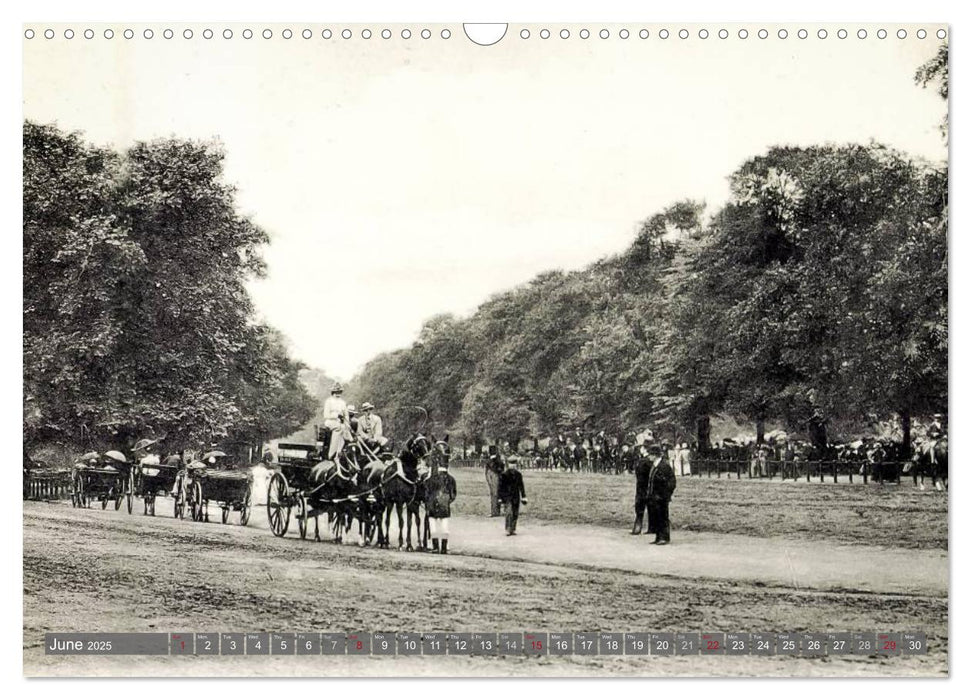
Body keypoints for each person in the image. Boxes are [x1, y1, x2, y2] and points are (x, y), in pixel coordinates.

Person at [646, 444, 677, 544]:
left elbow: (672, 482)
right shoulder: (655, 465)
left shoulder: (664, 466)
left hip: (661, 497)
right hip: (654, 496)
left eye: (650, 454)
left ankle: (664, 537)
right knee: (656, 516)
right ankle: (658, 537)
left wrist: (666, 494)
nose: (649, 456)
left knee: (663, 516)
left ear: (655, 455)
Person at [425, 463, 457, 554]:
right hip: (445, 506)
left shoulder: (430, 479)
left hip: (432, 505)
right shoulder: (451, 479)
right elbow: (453, 494)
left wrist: (429, 502)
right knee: (445, 528)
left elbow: (426, 493)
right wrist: (448, 501)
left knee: (433, 527)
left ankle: (435, 547)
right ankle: (444, 548)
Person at [497, 454, 527, 535]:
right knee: (509, 512)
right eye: (511, 464)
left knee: (515, 513)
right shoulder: (504, 475)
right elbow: (500, 487)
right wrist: (500, 497)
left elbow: (521, 486)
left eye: (514, 464)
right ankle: (508, 529)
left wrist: (524, 496)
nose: (513, 466)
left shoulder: (518, 475)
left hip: (516, 496)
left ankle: (513, 529)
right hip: (507, 497)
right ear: (508, 465)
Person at [322, 382, 351, 460]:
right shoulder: (329, 401)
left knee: (346, 429)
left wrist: (347, 423)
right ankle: (332, 453)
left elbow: (346, 414)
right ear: (333, 392)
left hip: (340, 422)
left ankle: (341, 451)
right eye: (336, 392)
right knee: (339, 428)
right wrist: (336, 416)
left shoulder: (343, 402)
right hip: (330, 422)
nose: (338, 394)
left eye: (339, 392)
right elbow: (326, 415)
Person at [630, 444, 653, 536]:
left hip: (641, 487)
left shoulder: (643, 461)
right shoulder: (651, 461)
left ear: (644, 449)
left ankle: (637, 528)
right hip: (649, 487)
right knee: (651, 508)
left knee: (639, 508)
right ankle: (651, 528)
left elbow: (638, 473)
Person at [485, 445, 504, 517]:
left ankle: (494, 511)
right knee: (496, 494)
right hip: (496, 477)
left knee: (494, 494)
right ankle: (496, 511)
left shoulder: (493, 460)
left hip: (494, 477)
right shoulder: (498, 460)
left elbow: (496, 468)